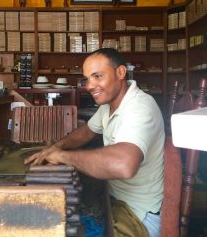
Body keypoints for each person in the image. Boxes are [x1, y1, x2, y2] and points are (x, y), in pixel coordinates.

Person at [24, 48, 165, 237]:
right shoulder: (110, 105)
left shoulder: (139, 107)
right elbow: (86, 132)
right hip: (114, 199)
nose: (90, 86)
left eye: (97, 76)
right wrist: (56, 147)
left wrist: (63, 156)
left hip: (139, 214)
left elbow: (124, 165)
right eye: (87, 79)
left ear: (120, 73)